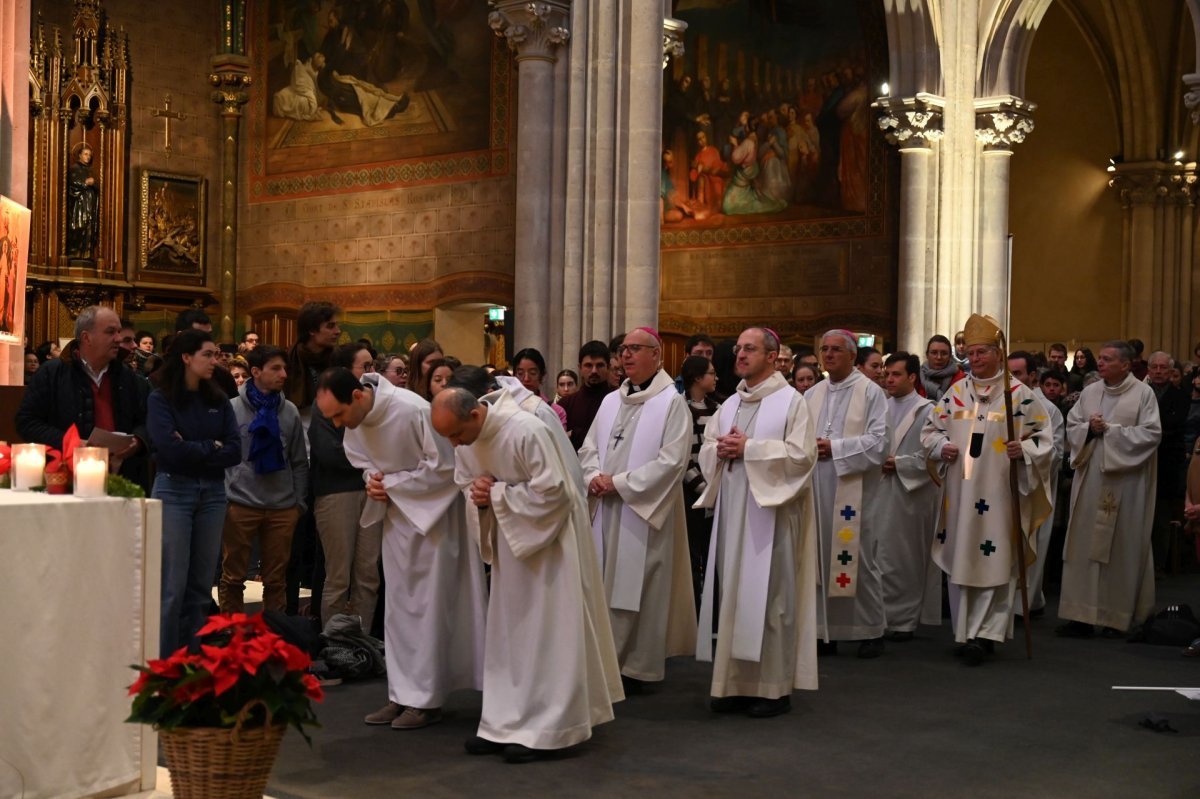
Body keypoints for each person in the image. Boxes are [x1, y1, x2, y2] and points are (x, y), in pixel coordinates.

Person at [430, 387, 622, 762]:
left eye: (456, 434)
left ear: (474, 415)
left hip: (549, 547)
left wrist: (496, 495)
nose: (454, 444)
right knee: (508, 636)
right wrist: (479, 493)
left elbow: (555, 494)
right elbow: (466, 483)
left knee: (548, 636)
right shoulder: (467, 441)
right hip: (509, 546)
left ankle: (549, 729)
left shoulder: (525, 430)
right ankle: (502, 724)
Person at [316, 367, 485, 731]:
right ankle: (401, 693)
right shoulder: (356, 419)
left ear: (357, 396)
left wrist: (390, 484)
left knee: (428, 609)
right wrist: (373, 480)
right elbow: (361, 460)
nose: (338, 424)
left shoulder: (412, 409)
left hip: (435, 520)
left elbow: (445, 466)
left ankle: (426, 700)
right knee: (399, 609)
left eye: (339, 414)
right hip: (397, 518)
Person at [694, 326, 818, 717]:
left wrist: (750, 448)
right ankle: (734, 685)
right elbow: (707, 448)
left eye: (750, 349)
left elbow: (802, 456)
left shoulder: (792, 401)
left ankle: (772, 689)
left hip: (772, 514)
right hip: (734, 512)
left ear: (772, 356)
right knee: (733, 594)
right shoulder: (730, 403)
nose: (741, 355)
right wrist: (720, 450)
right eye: (739, 349)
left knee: (772, 599)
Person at [920, 314, 1053, 666]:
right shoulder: (955, 394)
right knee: (961, 557)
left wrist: (1024, 450)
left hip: (999, 494)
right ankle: (964, 632)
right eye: (971, 353)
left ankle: (987, 634)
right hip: (960, 495)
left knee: (996, 558)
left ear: (998, 353)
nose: (975, 358)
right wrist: (941, 447)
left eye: (982, 352)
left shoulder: (1018, 396)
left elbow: (1044, 440)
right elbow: (930, 432)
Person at [578, 327, 697, 693]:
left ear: (656, 355)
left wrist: (620, 483)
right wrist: (593, 477)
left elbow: (672, 462)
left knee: (639, 585)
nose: (625, 355)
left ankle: (636, 667)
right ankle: (602, 662)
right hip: (605, 507)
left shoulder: (671, 403)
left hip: (643, 511)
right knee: (603, 582)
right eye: (623, 349)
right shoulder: (611, 401)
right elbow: (588, 448)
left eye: (634, 349)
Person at [145, 330, 241, 657]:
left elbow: (234, 451)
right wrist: (210, 446)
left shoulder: (218, 399)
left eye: (216, 354)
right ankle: (165, 664)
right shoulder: (161, 398)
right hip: (174, 488)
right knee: (172, 586)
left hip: (212, 492)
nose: (215, 361)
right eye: (208, 355)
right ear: (186, 357)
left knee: (201, 586)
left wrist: (193, 447)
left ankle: (194, 661)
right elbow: (168, 451)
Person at [1057, 341, 1162, 637]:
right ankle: (1080, 615)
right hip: (1091, 479)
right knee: (1083, 543)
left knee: (1121, 546)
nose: (1100, 363)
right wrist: (1088, 429)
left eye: (1107, 359)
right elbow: (1072, 426)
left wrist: (1111, 431)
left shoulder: (1143, 394)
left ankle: (1116, 618)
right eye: (1100, 358)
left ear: (1126, 365)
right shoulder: (1090, 392)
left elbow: (1151, 434)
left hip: (1125, 482)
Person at [805, 330, 888, 658]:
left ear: (853, 356)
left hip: (854, 489)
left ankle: (870, 629)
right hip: (815, 486)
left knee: (858, 558)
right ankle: (823, 631)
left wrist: (835, 448)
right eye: (824, 349)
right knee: (818, 558)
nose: (828, 354)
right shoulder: (811, 394)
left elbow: (879, 442)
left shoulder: (870, 392)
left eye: (836, 349)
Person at [220, 346, 309, 614]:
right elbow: (221, 455)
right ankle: (230, 632)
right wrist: (226, 495)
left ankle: (273, 633)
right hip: (240, 501)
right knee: (233, 577)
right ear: (256, 372)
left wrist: (298, 504)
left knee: (276, 580)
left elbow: (299, 461)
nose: (284, 374)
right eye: (276, 368)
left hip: (282, 505)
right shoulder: (232, 408)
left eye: (284, 368)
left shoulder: (289, 411)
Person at [16, 305, 147, 484]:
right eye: (110, 332)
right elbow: (26, 422)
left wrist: (138, 441)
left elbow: (145, 421)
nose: (118, 338)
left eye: (118, 331)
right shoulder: (52, 373)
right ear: (86, 337)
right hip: (63, 477)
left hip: (120, 479)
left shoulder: (128, 376)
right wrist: (72, 442)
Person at [308, 344, 384, 628]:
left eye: (373, 365)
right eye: (365, 366)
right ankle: (334, 643)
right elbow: (329, 453)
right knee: (338, 577)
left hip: (370, 492)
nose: (372, 372)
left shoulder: (374, 403)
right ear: (346, 371)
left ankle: (361, 642)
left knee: (368, 575)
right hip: (337, 493)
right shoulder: (326, 403)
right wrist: (370, 460)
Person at [874, 352, 942, 640]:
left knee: (904, 557)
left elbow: (935, 454)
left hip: (910, 494)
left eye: (896, 374)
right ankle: (879, 617)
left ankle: (903, 620)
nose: (889, 379)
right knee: (879, 555)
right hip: (879, 490)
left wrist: (899, 463)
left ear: (912, 377)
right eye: (886, 374)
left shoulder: (928, 410)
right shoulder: (879, 407)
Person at [1010, 350, 1065, 616]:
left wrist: (1026, 452)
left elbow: (1056, 453)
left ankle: (1024, 605)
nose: (1011, 379)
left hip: (1033, 488)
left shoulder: (1048, 410)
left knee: (1031, 546)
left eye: (1017, 373)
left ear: (1032, 376)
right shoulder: (1001, 404)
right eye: (1007, 373)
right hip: (1003, 489)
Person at [680, 355, 719, 610]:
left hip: (714, 492)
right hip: (691, 494)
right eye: (711, 373)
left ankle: (713, 612)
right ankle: (693, 612)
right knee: (692, 556)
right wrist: (705, 490)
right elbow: (684, 458)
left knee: (713, 554)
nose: (716, 378)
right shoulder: (681, 410)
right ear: (697, 378)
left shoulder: (718, 409)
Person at [1146, 351, 1190, 569]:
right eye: (1154, 367)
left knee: (1161, 517)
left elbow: (1174, 425)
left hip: (1167, 461)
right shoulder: (1141, 393)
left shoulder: (1180, 395)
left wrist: (1147, 433)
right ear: (1148, 370)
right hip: (1142, 459)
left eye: (1163, 367)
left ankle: (1158, 565)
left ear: (1171, 371)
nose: (1158, 371)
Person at [283, 301, 341, 432]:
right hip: (298, 427)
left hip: (334, 427)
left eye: (337, 325)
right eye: (330, 326)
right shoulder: (289, 360)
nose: (338, 331)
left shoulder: (338, 357)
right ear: (312, 330)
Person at [558, 341, 614, 450]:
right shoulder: (565, 404)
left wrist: (575, 435)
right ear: (580, 368)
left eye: (599, 365)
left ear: (608, 367)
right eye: (588, 365)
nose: (594, 371)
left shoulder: (618, 401)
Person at [173, 309, 239, 398]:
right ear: (180, 336)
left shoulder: (222, 375)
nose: (207, 341)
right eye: (200, 336)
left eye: (209, 335)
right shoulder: (161, 377)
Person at [512, 347, 568, 430]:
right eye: (520, 373)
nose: (526, 379)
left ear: (542, 375)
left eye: (532, 373)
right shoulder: (506, 406)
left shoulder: (555, 411)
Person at [66, 142, 99, 260]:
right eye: (85, 154)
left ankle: (86, 254)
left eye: (89, 155)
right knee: (79, 226)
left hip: (90, 204)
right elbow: (72, 182)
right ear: (79, 155)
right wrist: (85, 183)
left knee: (89, 228)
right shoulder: (74, 169)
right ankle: (75, 253)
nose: (88, 157)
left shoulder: (91, 171)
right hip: (79, 204)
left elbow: (98, 185)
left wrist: (94, 183)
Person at [920, 334, 965, 400]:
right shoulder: (915, 378)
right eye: (934, 353)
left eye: (944, 353)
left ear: (950, 356)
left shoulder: (961, 380)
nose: (939, 357)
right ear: (927, 355)